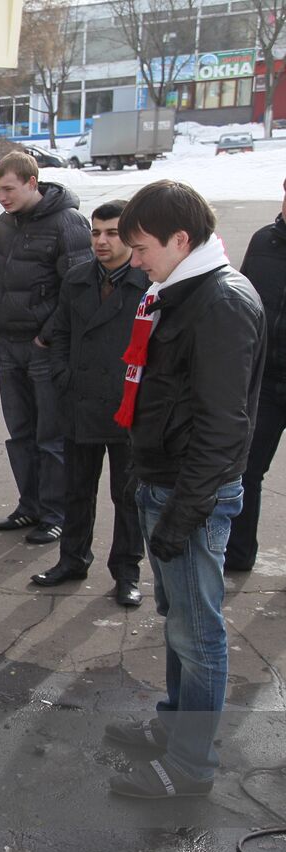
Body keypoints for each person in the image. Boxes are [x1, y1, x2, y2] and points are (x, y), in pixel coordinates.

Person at [102, 180, 263, 799]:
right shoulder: (179, 291)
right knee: (180, 625)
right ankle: (176, 730)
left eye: (140, 247)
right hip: (168, 484)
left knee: (199, 635)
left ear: (181, 240)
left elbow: (224, 427)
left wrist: (182, 513)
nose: (133, 258)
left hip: (192, 496)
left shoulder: (219, 303)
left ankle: (190, 765)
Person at [34, 200, 146, 608]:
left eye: (112, 233)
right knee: (76, 491)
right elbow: (59, 331)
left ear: (132, 236)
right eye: (96, 232)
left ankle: (127, 572)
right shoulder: (79, 277)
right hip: (80, 402)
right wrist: (63, 376)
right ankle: (72, 559)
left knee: (127, 496)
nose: (100, 240)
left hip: (126, 408)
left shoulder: (146, 284)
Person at [0, 151, 93, 544]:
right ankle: (29, 505)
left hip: (44, 348)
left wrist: (47, 334)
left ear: (33, 182)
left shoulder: (69, 222)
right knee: (20, 433)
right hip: (9, 346)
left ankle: (55, 513)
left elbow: (78, 288)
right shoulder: (5, 224)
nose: (2, 197)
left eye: (9, 189)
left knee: (51, 436)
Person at [225, 175, 286, 572]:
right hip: (265, 380)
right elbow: (245, 302)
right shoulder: (264, 240)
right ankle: (237, 555)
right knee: (246, 470)